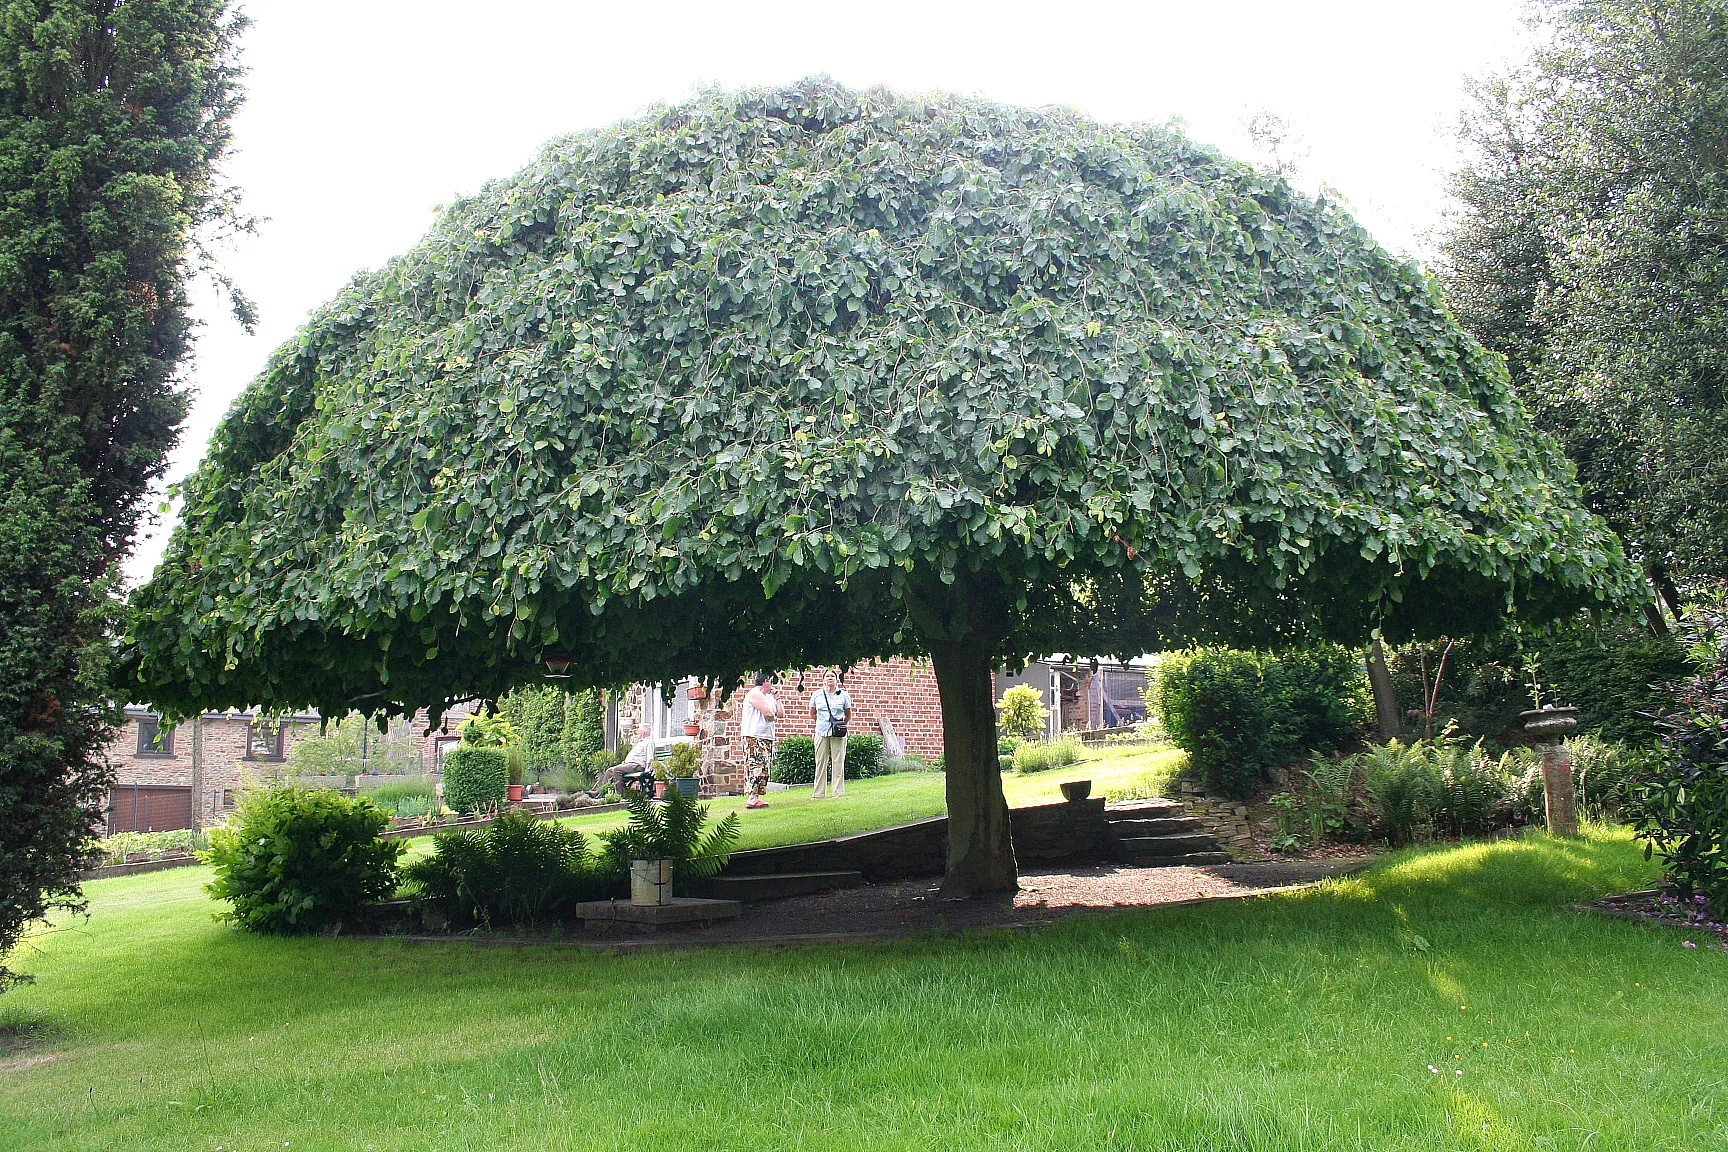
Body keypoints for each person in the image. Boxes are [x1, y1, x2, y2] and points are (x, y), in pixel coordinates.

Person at [809, 669, 852, 799]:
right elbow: (812, 713)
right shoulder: (817, 695)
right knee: (821, 762)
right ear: (823, 680)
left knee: (838, 761)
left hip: (838, 733)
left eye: (832, 676)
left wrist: (840, 725)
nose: (830, 678)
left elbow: (848, 714)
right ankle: (818, 793)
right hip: (821, 731)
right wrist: (821, 723)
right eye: (827, 676)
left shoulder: (843, 695)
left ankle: (837, 792)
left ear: (836, 679)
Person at [740, 672, 780, 809]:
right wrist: (773, 715)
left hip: (766, 736)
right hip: (754, 736)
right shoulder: (754, 693)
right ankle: (752, 798)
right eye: (771, 681)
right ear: (765, 681)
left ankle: (755, 797)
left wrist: (777, 698)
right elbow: (769, 714)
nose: (772, 685)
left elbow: (780, 713)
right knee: (757, 766)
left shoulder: (768, 696)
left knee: (764, 766)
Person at [593, 725, 655, 795]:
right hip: (629, 765)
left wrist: (647, 770)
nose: (637, 733)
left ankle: (621, 794)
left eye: (638, 731)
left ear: (643, 733)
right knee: (609, 771)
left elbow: (650, 758)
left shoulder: (649, 742)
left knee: (617, 770)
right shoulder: (640, 743)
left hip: (637, 766)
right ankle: (595, 792)